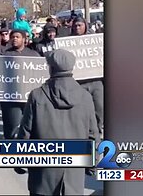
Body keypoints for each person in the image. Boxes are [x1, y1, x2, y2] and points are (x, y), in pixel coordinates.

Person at [16, 49, 99, 195]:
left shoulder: (37, 95)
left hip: (42, 175)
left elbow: (25, 132)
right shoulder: (85, 97)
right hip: (74, 174)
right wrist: (91, 166)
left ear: (51, 68)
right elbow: (92, 134)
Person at [1, 29, 40, 139]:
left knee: (32, 125)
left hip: (29, 98)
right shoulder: (5, 55)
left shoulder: (33, 55)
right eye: (12, 37)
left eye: (17, 37)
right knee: (11, 127)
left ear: (24, 39)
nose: (14, 39)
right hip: (11, 100)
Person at [71, 17, 104, 135]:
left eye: (80, 25)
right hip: (78, 83)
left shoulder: (95, 40)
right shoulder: (67, 42)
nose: (77, 28)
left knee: (99, 107)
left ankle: (98, 129)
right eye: (75, 26)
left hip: (96, 81)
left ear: (85, 26)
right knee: (81, 109)